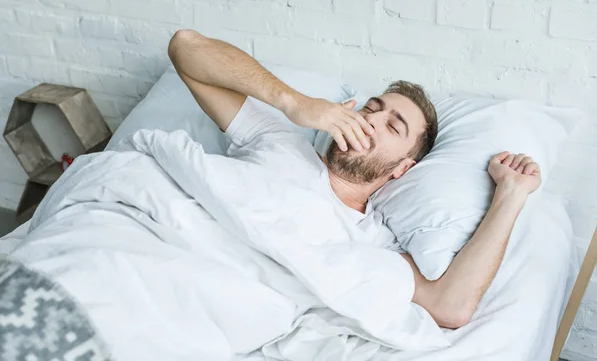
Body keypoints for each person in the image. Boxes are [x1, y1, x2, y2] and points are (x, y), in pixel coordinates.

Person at [167, 29, 542, 330]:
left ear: (402, 169)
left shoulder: (373, 239)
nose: (371, 121)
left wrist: (510, 196)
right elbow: (186, 48)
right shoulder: (279, 138)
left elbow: (451, 306)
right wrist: (292, 102)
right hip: (163, 231)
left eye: (393, 126)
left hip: (206, 294)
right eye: (371, 109)